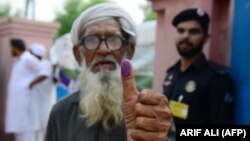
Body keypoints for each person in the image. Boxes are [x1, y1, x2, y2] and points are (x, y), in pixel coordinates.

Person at [45, 2, 172, 141]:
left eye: (113, 39)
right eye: (91, 40)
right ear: (78, 54)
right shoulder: (61, 112)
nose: (103, 49)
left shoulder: (150, 110)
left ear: (129, 51)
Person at [163, 8, 235, 125]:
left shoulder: (217, 78)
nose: (185, 36)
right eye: (180, 31)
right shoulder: (171, 73)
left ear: (206, 37)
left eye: (193, 31)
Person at [5, 38, 43, 141]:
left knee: (26, 132)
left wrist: (30, 84)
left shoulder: (27, 58)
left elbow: (43, 71)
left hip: (25, 102)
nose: (11, 50)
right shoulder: (19, 60)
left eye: (11, 48)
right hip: (18, 104)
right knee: (19, 130)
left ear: (16, 48)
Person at [29, 43, 56, 141]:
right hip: (36, 101)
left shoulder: (45, 64)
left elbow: (46, 76)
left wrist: (31, 84)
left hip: (44, 100)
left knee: (44, 127)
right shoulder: (35, 64)